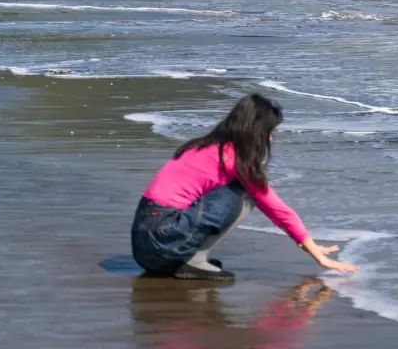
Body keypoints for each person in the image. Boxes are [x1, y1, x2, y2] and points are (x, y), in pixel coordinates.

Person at [131, 93, 358, 280]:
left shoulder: (202, 146)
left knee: (241, 189)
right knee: (247, 192)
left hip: (145, 246)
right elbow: (276, 208)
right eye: (270, 133)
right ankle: (194, 259)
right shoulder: (233, 160)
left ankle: (188, 256)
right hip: (164, 243)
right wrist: (315, 251)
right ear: (257, 132)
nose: (270, 140)